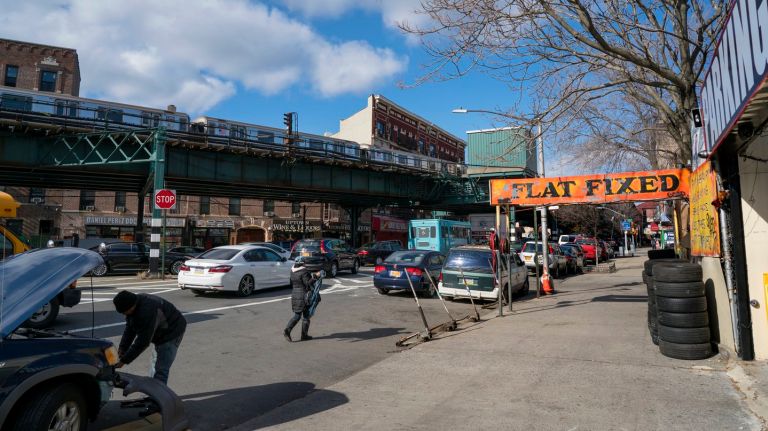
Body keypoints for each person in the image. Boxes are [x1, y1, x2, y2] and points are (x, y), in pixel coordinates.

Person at [113, 291, 187, 385]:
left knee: (161, 369)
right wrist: (122, 349)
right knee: (155, 364)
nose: (124, 314)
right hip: (162, 329)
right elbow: (130, 329)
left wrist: (124, 360)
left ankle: (159, 396)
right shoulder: (134, 304)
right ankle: (153, 393)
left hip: (172, 332)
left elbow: (143, 341)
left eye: (124, 312)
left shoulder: (147, 311)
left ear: (132, 306)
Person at [284, 258, 323, 342]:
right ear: (302, 263)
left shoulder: (292, 271)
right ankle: (300, 334)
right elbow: (308, 283)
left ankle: (292, 331)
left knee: (297, 315)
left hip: (295, 294)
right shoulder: (304, 271)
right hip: (304, 296)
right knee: (305, 315)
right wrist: (316, 276)